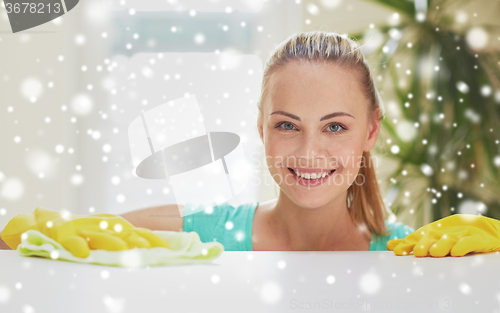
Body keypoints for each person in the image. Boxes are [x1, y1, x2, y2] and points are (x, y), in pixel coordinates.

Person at [0, 31, 413, 252]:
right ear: (260, 128)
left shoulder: (409, 254)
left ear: (371, 131)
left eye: (335, 127)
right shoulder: (205, 233)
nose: (308, 153)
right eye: (287, 126)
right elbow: (80, 230)